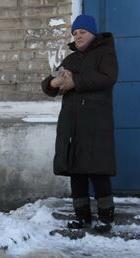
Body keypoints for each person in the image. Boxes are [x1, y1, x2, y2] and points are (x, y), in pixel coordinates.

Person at [41, 14, 118, 233]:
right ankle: (82, 218)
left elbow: (108, 77)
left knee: (98, 170)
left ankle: (106, 218)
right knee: (76, 171)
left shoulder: (106, 53)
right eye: (75, 33)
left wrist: (75, 81)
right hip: (72, 122)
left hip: (96, 121)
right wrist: (54, 82)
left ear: (93, 33)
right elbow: (48, 85)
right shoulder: (71, 59)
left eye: (82, 32)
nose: (78, 36)